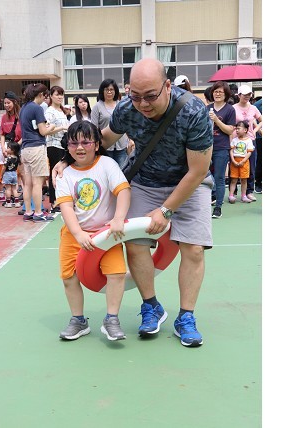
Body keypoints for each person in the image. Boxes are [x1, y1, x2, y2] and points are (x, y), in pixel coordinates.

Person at [53, 58, 213, 347]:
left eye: (150, 96)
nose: (142, 104)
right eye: (135, 96)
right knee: (135, 244)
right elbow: (101, 140)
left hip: (189, 182)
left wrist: (166, 210)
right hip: (145, 180)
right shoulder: (128, 108)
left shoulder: (193, 111)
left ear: (167, 86)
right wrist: (67, 160)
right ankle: (151, 306)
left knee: (193, 249)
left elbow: (198, 170)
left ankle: (186, 316)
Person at [55, 121, 131, 341]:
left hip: (106, 234)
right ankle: (78, 320)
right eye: (74, 143)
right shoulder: (65, 174)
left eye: (86, 142)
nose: (80, 147)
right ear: (67, 147)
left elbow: (123, 191)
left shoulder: (107, 164)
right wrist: (78, 233)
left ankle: (111, 319)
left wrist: (118, 218)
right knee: (69, 277)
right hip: (74, 234)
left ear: (97, 144)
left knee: (116, 274)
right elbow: (66, 207)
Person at [19, 83, 55, 223]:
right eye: (45, 96)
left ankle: (28, 211)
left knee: (28, 183)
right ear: (40, 95)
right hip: (37, 147)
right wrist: (51, 126)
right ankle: (39, 212)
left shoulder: (24, 108)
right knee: (38, 183)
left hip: (26, 149)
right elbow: (43, 131)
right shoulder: (37, 108)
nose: (45, 99)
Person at [207, 81, 236, 219]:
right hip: (206, 147)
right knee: (202, 174)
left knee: (219, 177)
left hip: (221, 148)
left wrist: (216, 120)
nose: (217, 94)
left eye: (220, 92)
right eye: (215, 91)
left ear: (226, 94)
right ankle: (206, 201)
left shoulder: (230, 110)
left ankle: (218, 207)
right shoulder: (207, 108)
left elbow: (230, 130)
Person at [232, 84, 262, 201]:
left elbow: (261, 120)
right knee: (234, 165)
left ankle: (249, 191)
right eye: (244, 94)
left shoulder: (253, 108)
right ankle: (233, 192)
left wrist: (255, 130)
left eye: (249, 94)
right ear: (239, 95)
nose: (247, 96)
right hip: (236, 140)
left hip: (250, 140)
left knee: (251, 166)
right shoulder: (233, 108)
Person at [91, 79, 129, 167]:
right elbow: (93, 128)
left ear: (115, 91)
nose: (109, 92)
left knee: (122, 170)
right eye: (106, 89)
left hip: (121, 146)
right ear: (102, 91)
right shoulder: (97, 107)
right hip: (105, 146)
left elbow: (127, 124)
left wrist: (130, 140)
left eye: (111, 89)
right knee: (107, 170)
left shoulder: (121, 105)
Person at [44, 86, 70, 213]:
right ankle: (54, 202)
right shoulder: (49, 111)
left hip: (63, 145)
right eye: (57, 94)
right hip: (53, 145)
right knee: (54, 172)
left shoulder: (62, 110)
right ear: (51, 96)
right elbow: (47, 130)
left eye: (61, 95)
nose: (60, 97)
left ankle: (61, 200)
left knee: (62, 173)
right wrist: (63, 128)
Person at [227, 120, 255, 204]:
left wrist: (243, 161)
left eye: (239, 128)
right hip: (234, 161)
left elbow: (249, 152)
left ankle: (244, 196)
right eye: (236, 129)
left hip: (244, 162)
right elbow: (231, 151)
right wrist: (233, 160)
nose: (237, 130)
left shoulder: (249, 140)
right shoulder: (234, 140)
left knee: (244, 180)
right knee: (233, 179)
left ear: (245, 130)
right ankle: (231, 195)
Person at [2, 141, 22, 208]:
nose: (6, 149)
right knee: (14, 189)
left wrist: (1, 175)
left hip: (7, 173)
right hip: (14, 173)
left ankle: (8, 203)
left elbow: (4, 167)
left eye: (8, 148)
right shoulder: (17, 158)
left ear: (12, 150)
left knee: (8, 189)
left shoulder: (8, 159)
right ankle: (17, 202)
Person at [252, 96, 262, 193]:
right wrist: (258, 130)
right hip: (260, 137)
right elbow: (253, 118)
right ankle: (258, 183)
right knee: (260, 160)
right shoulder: (258, 104)